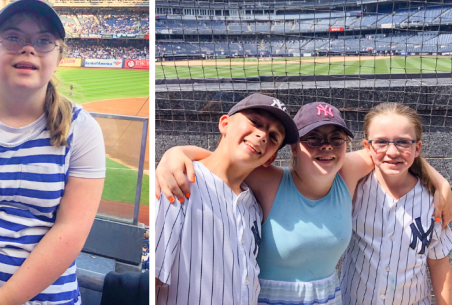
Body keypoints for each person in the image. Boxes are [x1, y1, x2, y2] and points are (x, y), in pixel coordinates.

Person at [156, 102, 452, 304]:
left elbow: (394, 150)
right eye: (313, 139)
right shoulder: (268, 179)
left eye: (336, 139)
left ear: (347, 146)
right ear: (295, 147)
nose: (326, 146)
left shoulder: (345, 172)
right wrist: (175, 152)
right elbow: (223, 159)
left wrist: (440, 182)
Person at [0, 0, 107, 305]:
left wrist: (6, 298)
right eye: (13, 37)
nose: (28, 49)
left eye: (43, 41)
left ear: (58, 56)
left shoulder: (83, 129)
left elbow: (72, 229)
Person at [154, 93, 299, 304]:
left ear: (272, 158)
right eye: (255, 122)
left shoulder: (255, 207)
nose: (262, 135)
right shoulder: (178, 181)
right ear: (225, 123)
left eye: (274, 136)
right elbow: (154, 278)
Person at [341, 102, 452, 304]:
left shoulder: (433, 200)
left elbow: (439, 263)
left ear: (417, 148)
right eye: (381, 142)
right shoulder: (352, 189)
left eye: (403, 142)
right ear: (367, 147)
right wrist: (442, 181)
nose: (392, 152)